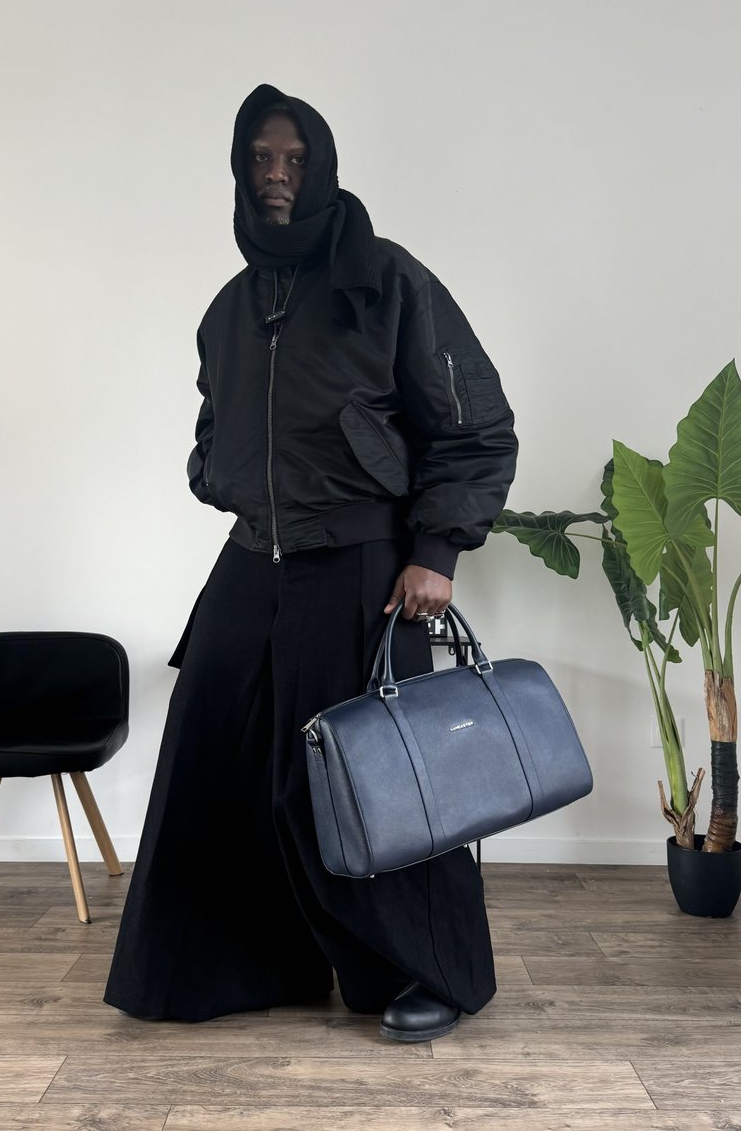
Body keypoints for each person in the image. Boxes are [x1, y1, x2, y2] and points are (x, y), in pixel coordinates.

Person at [103, 83, 518, 1042]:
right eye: (261, 159)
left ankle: (428, 971)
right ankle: (233, 964)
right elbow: (215, 424)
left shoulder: (388, 281)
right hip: (254, 559)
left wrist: (436, 551)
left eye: (294, 159)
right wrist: (219, 470)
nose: (278, 176)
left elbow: (475, 427)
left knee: (375, 773)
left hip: (364, 563)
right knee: (214, 748)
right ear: (241, 172)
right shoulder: (232, 307)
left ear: (322, 168)